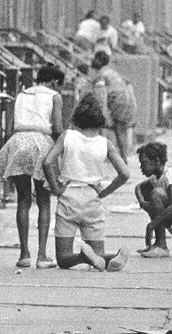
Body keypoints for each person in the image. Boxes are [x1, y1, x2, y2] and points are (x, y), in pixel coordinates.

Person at [0, 64, 64, 269]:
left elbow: (11, 126)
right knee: (44, 200)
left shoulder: (22, 94)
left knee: (23, 198)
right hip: (41, 143)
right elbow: (57, 127)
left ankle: (24, 254)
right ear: (55, 82)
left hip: (19, 142)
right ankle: (42, 255)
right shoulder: (54, 96)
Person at [42, 94, 130, 272]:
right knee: (99, 254)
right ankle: (114, 256)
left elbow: (47, 162)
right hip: (93, 198)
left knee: (64, 259)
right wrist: (104, 192)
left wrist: (56, 189)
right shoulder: (105, 144)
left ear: (76, 119)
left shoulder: (67, 137)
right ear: (100, 123)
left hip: (68, 198)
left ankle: (83, 257)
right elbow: (125, 174)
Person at [90, 51, 135, 159]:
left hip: (117, 100)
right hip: (126, 100)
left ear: (100, 61)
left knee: (115, 129)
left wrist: (104, 112)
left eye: (95, 58)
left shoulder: (101, 75)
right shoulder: (112, 72)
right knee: (120, 131)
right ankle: (122, 159)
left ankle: (113, 158)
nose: (92, 61)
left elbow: (101, 96)